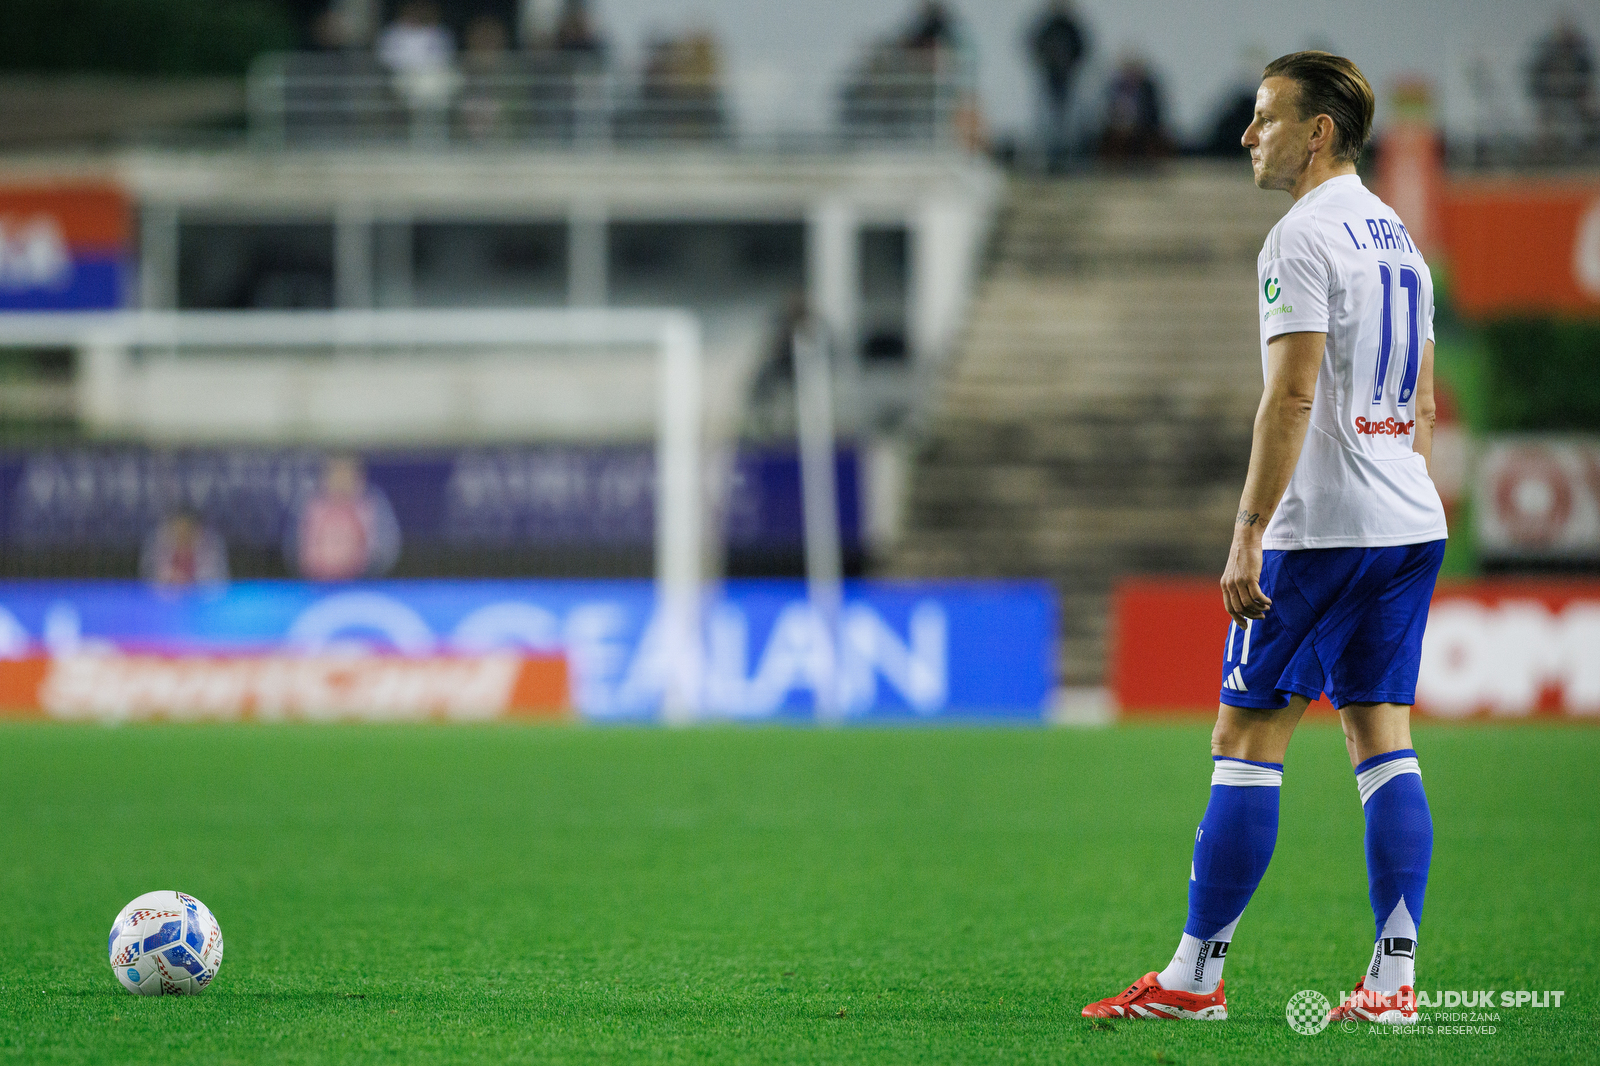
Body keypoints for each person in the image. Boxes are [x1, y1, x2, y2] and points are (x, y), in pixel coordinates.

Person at [1082, 52, 1448, 1026]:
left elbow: (1288, 396)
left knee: (1245, 739)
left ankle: (1195, 978)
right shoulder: (1397, 235)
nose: (1247, 135)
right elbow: (1418, 397)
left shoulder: (1299, 237)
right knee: (1381, 739)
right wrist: (1393, 470)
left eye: (1263, 118)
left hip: (1321, 532)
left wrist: (1248, 533)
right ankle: (1394, 981)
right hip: (1407, 519)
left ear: (1316, 131)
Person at [289, 455, 401, 581]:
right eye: (336, 471)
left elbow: (385, 551)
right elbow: (294, 550)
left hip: (362, 587)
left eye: (346, 471)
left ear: (359, 475)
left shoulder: (371, 505)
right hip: (315, 587)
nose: (341, 477)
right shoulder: (311, 505)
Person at [1029, 0, 1087, 172]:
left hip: (1067, 79)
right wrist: (1046, 64)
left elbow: (1082, 47)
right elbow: (1034, 44)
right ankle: (1050, 157)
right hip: (1049, 78)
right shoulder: (1048, 25)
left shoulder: (1070, 26)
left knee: (1068, 122)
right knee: (1047, 121)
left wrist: (1071, 65)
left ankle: (1066, 158)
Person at [1528, 17, 1594, 156]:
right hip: (1550, 99)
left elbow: (1586, 79)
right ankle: (1543, 152)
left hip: (1574, 99)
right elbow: (1536, 78)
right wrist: (1544, 96)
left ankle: (1581, 151)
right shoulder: (1547, 55)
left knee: (1582, 120)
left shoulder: (1579, 56)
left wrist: (1583, 96)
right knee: (1546, 122)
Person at [1100, 55, 1167, 161]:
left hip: (1143, 132)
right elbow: (1107, 113)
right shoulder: (1115, 88)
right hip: (1118, 133)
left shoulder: (1148, 90)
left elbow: (1153, 115)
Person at [140, 511, 229, 589]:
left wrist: (190, 578)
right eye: (179, 528)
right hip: (165, 601)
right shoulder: (159, 544)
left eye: (187, 528)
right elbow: (148, 578)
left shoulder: (210, 545)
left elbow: (218, 581)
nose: (183, 532)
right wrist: (171, 577)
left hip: (201, 601)